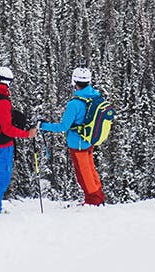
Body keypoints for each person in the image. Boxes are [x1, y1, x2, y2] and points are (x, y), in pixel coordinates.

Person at [39, 67, 105, 205]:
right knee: (91, 170)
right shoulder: (95, 97)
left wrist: (43, 126)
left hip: (77, 143)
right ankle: (98, 197)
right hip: (89, 140)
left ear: (74, 82)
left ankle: (93, 201)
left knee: (84, 174)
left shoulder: (74, 104)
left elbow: (63, 127)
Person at [0, 65, 38, 214]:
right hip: (2, 144)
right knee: (2, 177)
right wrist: (27, 134)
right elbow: (7, 129)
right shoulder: (2, 101)